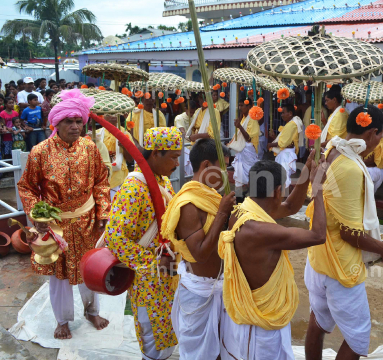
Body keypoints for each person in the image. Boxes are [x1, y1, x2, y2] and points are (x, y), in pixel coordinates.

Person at [17, 89, 111, 340]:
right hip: (56, 224)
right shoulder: (40, 151)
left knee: (88, 268)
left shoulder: (90, 148)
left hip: (87, 220)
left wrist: (103, 212)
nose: (75, 126)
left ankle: (92, 311)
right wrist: (38, 215)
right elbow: (26, 187)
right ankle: (62, 320)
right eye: (69, 121)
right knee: (60, 275)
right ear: (56, 123)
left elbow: (101, 182)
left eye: (79, 121)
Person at [304, 106, 383, 360]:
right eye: (381, 136)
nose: (380, 142)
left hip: (318, 260)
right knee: (358, 338)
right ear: (373, 133)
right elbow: (349, 233)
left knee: (319, 321)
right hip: (339, 268)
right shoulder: (350, 166)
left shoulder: (333, 149)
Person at [219, 152, 328, 360]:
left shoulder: (244, 211)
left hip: (264, 323)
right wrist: (318, 190)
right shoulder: (261, 230)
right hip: (260, 329)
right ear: (278, 191)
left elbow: (291, 207)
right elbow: (318, 235)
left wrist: (306, 170)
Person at [104, 127, 183, 359]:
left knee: (169, 321)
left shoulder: (164, 182)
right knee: (152, 327)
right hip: (148, 274)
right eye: (174, 157)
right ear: (156, 154)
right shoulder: (133, 189)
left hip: (168, 269)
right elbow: (115, 238)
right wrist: (152, 261)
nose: (177, 164)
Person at [160, 138, 235, 360]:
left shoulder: (210, 196)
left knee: (223, 352)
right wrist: (222, 213)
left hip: (222, 287)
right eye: (223, 168)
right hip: (200, 292)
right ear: (205, 166)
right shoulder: (189, 204)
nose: (227, 174)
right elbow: (200, 254)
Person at [97, 114, 135, 200]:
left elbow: (130, 159)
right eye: (109, 113)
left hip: (119, 178)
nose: (112, 115)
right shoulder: (97, 134)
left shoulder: (125, 134)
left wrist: (124, 147)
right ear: (103, 116)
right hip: (101, 178)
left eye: (115, 113)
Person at [267, 104, 303, 191]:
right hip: (286, 153)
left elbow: (283, 143)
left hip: (286, 153)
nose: (281, 115)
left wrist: (270, 144)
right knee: (284, 177)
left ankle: (284, 200)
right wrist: (274, 137)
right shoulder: (291, 123)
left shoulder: (291, 124)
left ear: (290, 113)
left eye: (283, 113)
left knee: (284, 178)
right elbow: (285, 140)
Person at [229, 98, 261, 194]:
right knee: (239, 174)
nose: (240, 107)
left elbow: (248, 138)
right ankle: (240, 197)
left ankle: (252, 196)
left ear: (248, 106)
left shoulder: (253, 120)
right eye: (239, 105)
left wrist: (239, 127)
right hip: (241, 151)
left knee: (249, 174)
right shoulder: (243, 117)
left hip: (248, 150)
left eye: (242, 105)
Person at [174, 100, 197, 177]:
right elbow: (182, 131)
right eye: (190, 112)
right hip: (183, 148)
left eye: (193, 112)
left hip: (193, 148)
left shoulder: (195, 117)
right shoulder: (179, 118)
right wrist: (189, 137)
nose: (191, 114)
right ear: (185, 109)